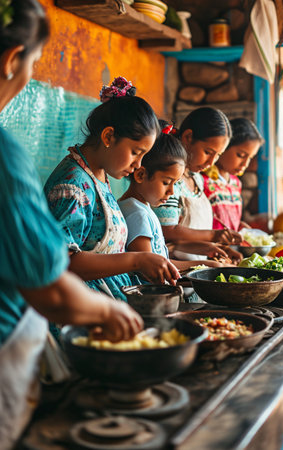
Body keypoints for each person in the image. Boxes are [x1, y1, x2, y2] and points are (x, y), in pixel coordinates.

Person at [0, 2, 143, 448]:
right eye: (35, 63)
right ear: (10, 60)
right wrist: (111, 311)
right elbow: (52, 282)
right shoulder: (9, 159)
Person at [44, 77, 180, 301]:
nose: (138, 164)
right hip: (79, 309)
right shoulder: (71, 186)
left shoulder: (98, 176)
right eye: (136, 152)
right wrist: (136, 260)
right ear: (108, 136)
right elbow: (61, 261)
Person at [119, 121, 235, 271]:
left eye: (176, 183)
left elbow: (164, 250)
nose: (171, 192)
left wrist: (206, 249)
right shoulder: (137, 215)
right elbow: (152, 269)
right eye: (167, 182)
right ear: (141, 175)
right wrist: (205, 266)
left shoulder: (140, 207)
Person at [153, 107, 242, 262]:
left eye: (218, 155)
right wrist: (214, 235)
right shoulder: (171, 180)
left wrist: (219, 248)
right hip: (170, 265)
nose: (211, 162)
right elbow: (168, 230)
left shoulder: (197, 179)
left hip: (196, 263)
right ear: (188, 137)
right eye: (208, 152)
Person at [203, 118, 264, 231]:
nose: (245, 164)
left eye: (250, 158)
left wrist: (239, 226)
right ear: (224, 146)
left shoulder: (236, 183)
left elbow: (227, 220)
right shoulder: (203, 181)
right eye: (240, 155)